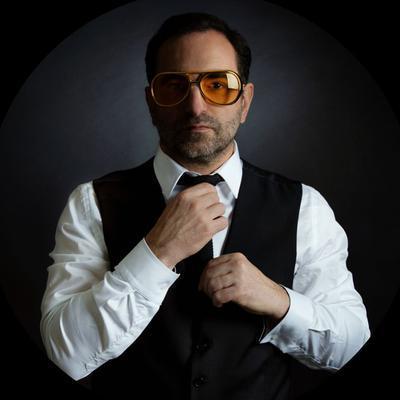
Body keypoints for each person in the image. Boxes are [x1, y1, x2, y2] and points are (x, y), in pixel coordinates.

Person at [40, 12, 370, 399]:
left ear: (245, 101)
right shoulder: (91, 203)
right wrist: (157, 253)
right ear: (151, 102)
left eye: (218, 85)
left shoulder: (305, 207)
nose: (196, 106)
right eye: (174, 85)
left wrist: (277, 300)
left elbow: (352, 346)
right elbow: (64, 355)